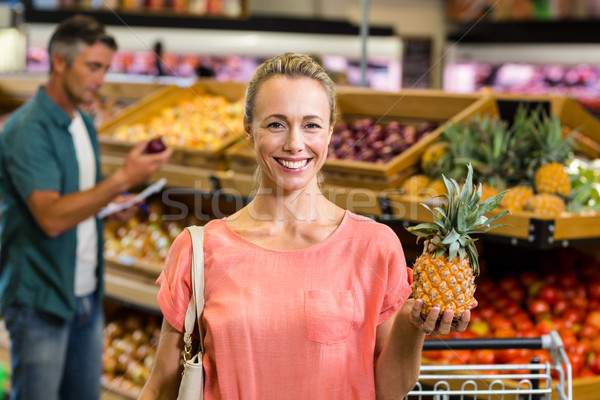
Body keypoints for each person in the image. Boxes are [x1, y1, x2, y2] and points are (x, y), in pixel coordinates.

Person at [139, 53, 472, 400]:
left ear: (329, 134)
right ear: (249, 133)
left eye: (311, 125)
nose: (295, 144)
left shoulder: (374, 246)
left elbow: (388, 390)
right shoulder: (198, 250)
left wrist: (412, 325)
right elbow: (161, 386)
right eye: (275, 125)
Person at [0, 14, 172, 400]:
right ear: (59, 61)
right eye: (92, 66)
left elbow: (76, 197)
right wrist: (121, 179)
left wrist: (112, 201)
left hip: (86, 294)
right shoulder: (28, 129)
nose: (101, 78)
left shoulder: (83, 123)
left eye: (106, 68)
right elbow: (52, 216)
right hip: (39, 297)